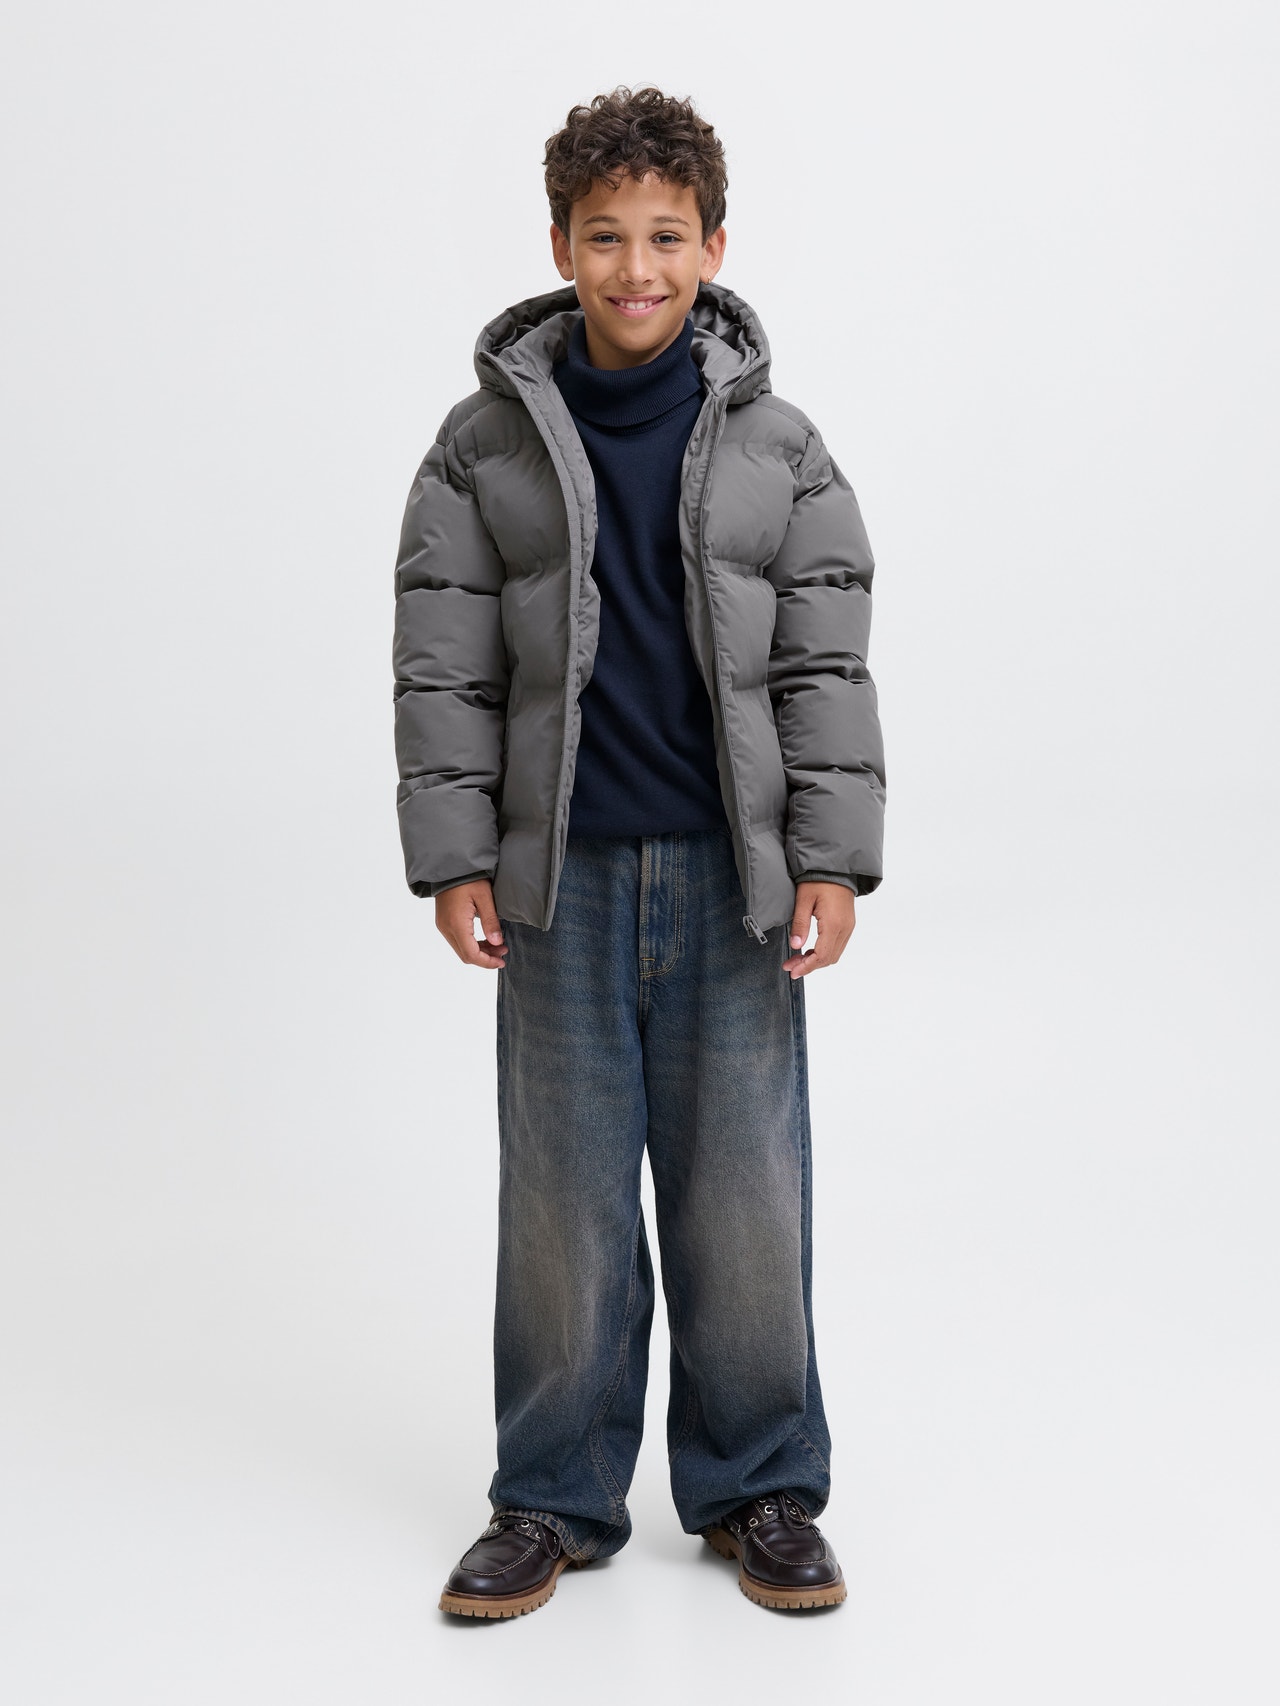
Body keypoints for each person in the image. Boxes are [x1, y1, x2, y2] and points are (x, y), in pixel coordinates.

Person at [391, 84, 886, 1618]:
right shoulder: (482, 446)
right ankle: (550, 1493)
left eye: (666, 237)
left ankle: (760, 1485)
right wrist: (455, 856)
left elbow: (823, 667)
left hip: (734, 884)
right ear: (560, 246)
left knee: (745, 1194)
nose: (636, 268)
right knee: (565, 1203)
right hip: (560, 884)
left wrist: (830, 859)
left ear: (714, 247)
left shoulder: (782, 449)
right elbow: (444, 665)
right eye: (604, 237)